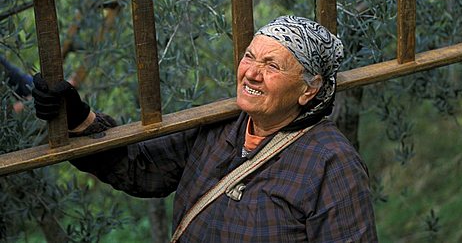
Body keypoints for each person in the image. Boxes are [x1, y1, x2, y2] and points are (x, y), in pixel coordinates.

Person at [32, 15, 378, 242]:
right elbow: (140, 169)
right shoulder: (219, 125)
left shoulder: (332, 164)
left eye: (271, 65)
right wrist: (78, 118)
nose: (251, 73)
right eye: (249, 56)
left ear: (309, 89)